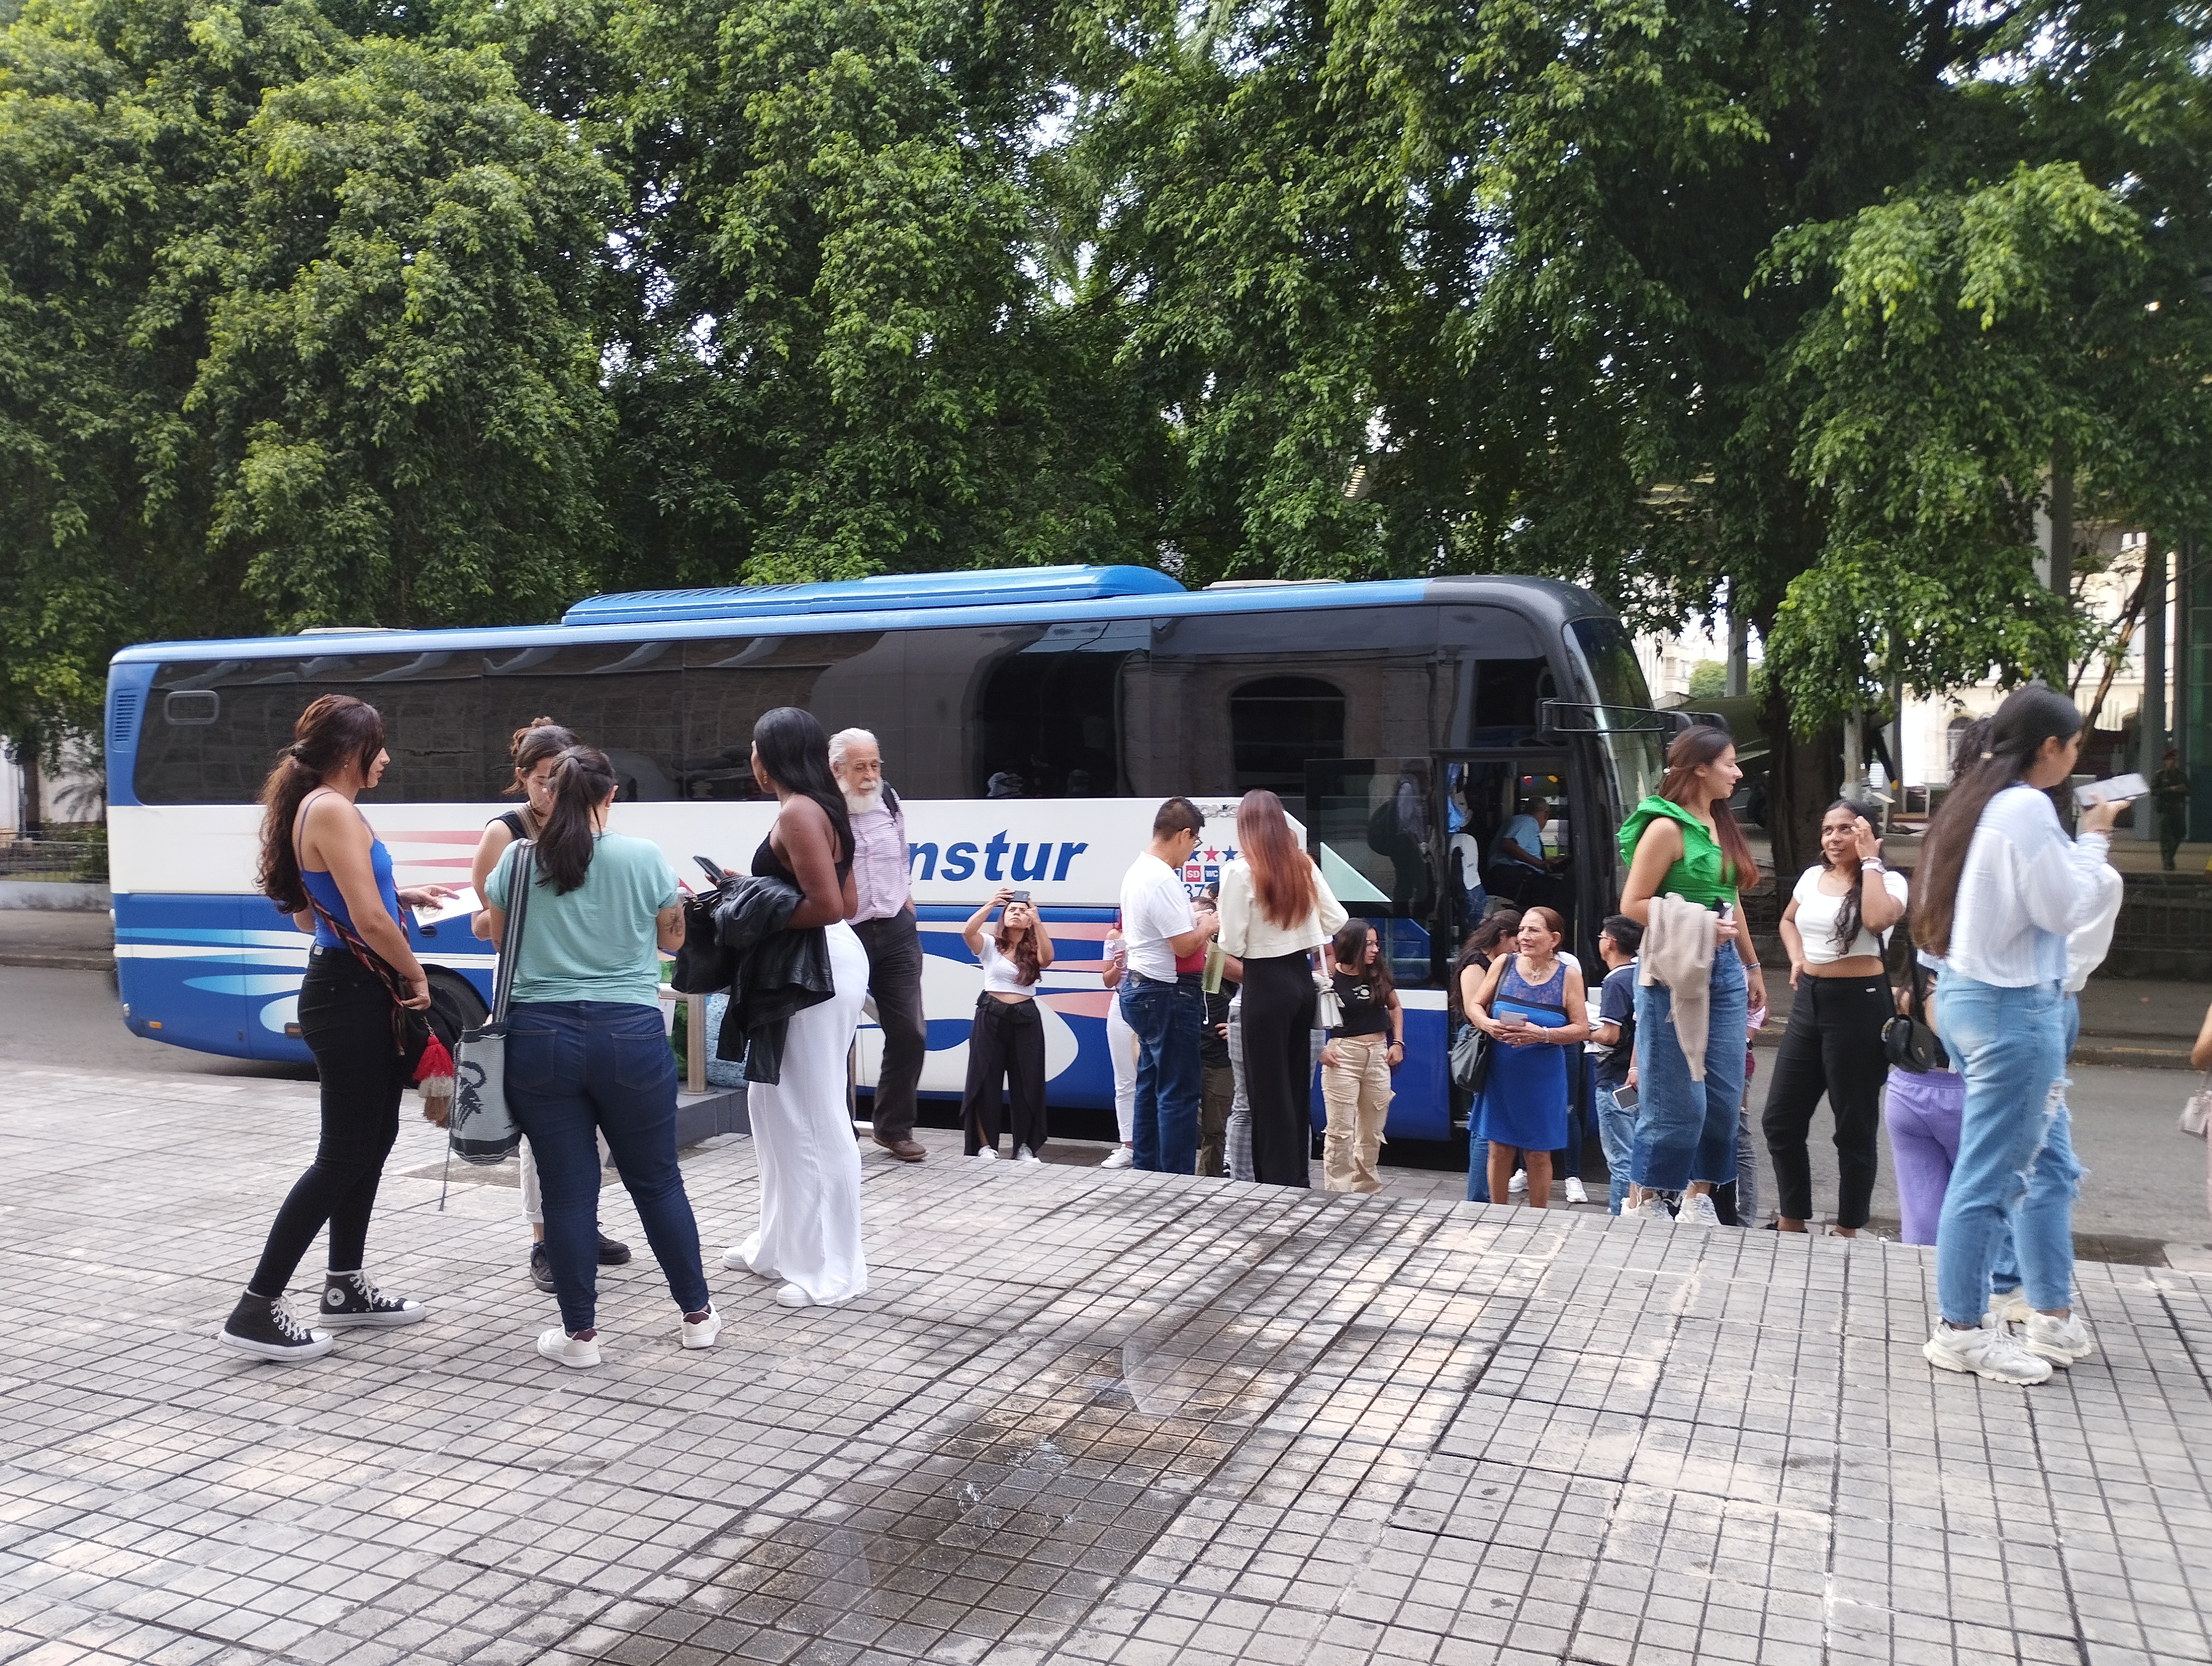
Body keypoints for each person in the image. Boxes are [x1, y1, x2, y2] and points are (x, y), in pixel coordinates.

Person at [220, 696, 451, 1361]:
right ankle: (255, 1309)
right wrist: (416, 977)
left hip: (347, 990)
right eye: (379, 746)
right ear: (351, 753)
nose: (387, 757)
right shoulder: (331, 808)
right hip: (352, 997)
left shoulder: (316, 809)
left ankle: (345, 1286)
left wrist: (395, 896)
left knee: (372, 1141)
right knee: (342, 1155)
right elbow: (371, 926)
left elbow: (313, 915)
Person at [1912, 684, 2125, 1386]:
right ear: (2050, 748)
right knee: (1993, 1176)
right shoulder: (2027, 806)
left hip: (1984, 1001)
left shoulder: (1983, 800)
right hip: (2013, 1010)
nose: (2077, 759)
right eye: (2074, 746)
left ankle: (2048, 1316)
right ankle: (1964, 1329)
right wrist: (2095, 840)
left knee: (2047, 1166)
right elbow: (2063, 907)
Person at [480, 746, 715, 1367]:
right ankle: (697, 1315)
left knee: (567, 1189)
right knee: (657, 1178)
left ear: (550, 794)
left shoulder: (517, 857)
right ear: (610, 796)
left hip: (541, 1037)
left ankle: (579, 1337)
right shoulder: (642, 856)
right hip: (630, 1035)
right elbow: (672, 937)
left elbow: (503, 938)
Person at [470, 719, 632, 1293]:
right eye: (544, 781)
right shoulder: (505, 834)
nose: (554, 792)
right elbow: (486, 925)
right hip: (528, 987)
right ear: (524, 780)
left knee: (593, 1124)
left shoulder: (588, 823)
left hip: (587, 986)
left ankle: (581, 1224)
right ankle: (544, 1240)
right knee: (545, 1130)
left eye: (562, 779)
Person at [723, 708, 870, 1309]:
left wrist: (750, 907)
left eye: (754, 750)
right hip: (816, 961)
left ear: (770, 754)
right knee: (772, 1101)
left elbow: (831, 905)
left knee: (812, 1110)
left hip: (811, 967)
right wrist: (754, 891)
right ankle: (780, 1244)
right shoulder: (820, 806)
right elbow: (848, 898)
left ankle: (832, 1268)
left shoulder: (798, 811)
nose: (750, 762)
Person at [1616, 726, 1767, 1226]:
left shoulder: (1719, 824)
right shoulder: (1666, 828)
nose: (1739, 772)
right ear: (1699, 767)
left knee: (1724, 1100)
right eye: (1730, 763)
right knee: (1677, 1099)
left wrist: (1751, 964)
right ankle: (1649, 1201)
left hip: (1723, 969)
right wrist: (1703, 924)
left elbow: (1733, 901)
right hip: (1674, 968)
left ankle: (1699, 1198)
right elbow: (1632, 904)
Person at [1980, 851, 2122, 1364]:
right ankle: (2037, 1310)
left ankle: (2009, 1289)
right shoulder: (2086, 875)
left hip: (2021, 1004)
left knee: (2020, 1159)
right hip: (2034, 1004)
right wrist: (2097, 840)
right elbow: (2080, 922)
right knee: (2044, 1166)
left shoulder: (1979, 856)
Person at [1761, 800, 1908, 1236]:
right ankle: (1792, 1219)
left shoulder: (1889, 881)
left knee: (1853, 1124)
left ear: (1867, 832)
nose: (1834, 838)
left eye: (1847, 828)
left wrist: (1870, 862)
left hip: (1860, 1005)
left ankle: (1847, 1228)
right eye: (1828, 830)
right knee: (1781, 1118)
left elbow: (1877, 920)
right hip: (1809, 1001)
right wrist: (1797, 958)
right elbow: (1788, 921)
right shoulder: (1811, 877)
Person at [1218, 789, 1348, 1188]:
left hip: (1265, 985)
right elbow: (1337, 918)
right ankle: (1296, 1178)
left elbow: (1232, 944)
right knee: (1294, 1087)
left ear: (1246, 828)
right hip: (1302, 981)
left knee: (1266, 1091)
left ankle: (1274, 1183)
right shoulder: (1302, 865)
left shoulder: (1241, 872)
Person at [829, 728, 928, 1163]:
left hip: (895, 929)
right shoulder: (823, 809)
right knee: (836, 1037)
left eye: (875, 765)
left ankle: (893, 1128)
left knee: (910, 1032)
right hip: (844, 932)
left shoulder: (889, 799)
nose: (870, 775)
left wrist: (906, 899)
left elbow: (902, 852)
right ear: (837, 770)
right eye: (860, 767)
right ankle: (837, 1129)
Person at [1463, 906, 1589, 1206]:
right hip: (1501, 1070)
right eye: (1522, 930)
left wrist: (1542, 1034)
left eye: (1533, 930)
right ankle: (1497, 1214)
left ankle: (1537, 1219)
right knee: (1499, 1147)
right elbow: (1475, 1005)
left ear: (1554, 939)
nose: (1524, 937)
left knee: (1538, 1152)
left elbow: (1581, 1029)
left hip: (1544, 1076)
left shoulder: (1568, 976)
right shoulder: (1504, 964)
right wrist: (1487, 1024)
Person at [1118, 798, 1216, 1174]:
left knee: (1150, 1085)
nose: (1193, 853)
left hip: (1141, 988)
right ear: (1185, 834)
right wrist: (1208, 924)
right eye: (1195, 843)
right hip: (1168, 992)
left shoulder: (1137, 871)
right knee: (1179, 1092)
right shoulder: (1161, 878)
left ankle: (1148, 1170)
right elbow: (1184, 945)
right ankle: (1177, 1181)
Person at [960, 886, 1054, 1162]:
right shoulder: (990, 944)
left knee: (1027, 1081)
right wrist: (991, 904)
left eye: (1023, 911)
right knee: (984, 1079)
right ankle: (985, 1145)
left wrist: (1038, 922)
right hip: (991, 1014)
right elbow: (967, 932)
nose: (1017, 913)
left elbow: (1047, 959)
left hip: (1025, 1016)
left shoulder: (1034, 946)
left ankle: (1024, 1146)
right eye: (1012, 909)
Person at [1319, 920, 1400, 1193]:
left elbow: (1395, 1007)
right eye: (1369, 944)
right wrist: (1319, 1050)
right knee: (1340, 1131)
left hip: (1378, 1055)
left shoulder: (1377, 974)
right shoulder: (1329, 978)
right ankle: (1338, 1191)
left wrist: (1397, 1042)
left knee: (1372, 1131)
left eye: (1377, 944)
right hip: (1343, 1055)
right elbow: (1304, 1017)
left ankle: (1367, 1190)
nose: (1375, 950)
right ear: (1352, 944)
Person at [1453, 910, 1522, 1201]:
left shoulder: (1501, 963)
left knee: (1491, 1123)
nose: (1519, 949)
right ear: (1502, 936)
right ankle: (1479, 1197)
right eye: (1516, 942)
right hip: (1486, 1044)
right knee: (1486, 1124)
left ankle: (1485, 1195)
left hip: (1501, 1042)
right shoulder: (1475, 964)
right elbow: (1474, 1010)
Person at [1589, 915, 1642, 1214]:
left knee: (1621, 1157)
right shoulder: (1642, 973)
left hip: (1614, 1080)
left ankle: (1619, 1217)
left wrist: (1584, 1029)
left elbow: (1610, 1035)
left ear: (1610, 942)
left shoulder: (1615, 980)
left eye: (1601, 937)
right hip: (1638, 1077)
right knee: (1640, 1151)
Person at [1194, 890, 1241, 1178]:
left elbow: (1238, 983)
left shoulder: (1218, 954)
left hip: (1217, 1056)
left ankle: (1207, 1179)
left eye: (1200, 918)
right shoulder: (1173, 951)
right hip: (1186, 1050)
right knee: (1182, 1121)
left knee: (1215, 1126)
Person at [1098, 920, 1137, 1168]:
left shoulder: (1159, 929)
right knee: (1125, 1079)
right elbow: (1108, 980)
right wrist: (1119, 964)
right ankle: (1128, 1146)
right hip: (1122, 1003)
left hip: (1153, 1003)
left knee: (1156, 1079)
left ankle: (1151, 1143)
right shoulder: (1115, 935)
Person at [1489, 797, 1568, 909]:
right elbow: (1507, 844)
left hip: (1514, 874)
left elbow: (1524, 849)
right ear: (1546, 814)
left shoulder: (1523, 822)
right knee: (1563, 891)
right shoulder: (1528, 821)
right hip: (1514, 875)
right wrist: (1540, 864)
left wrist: (1548, 861)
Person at [2153, 747, 2189, 872]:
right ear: (2165, 761)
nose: (2172, 762)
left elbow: (2189, 791)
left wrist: (2183, 790)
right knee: (2166, 838)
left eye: (2174, 760)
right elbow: (2153, 791)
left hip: (2178, 810)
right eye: (2170, 760)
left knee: (2179, 835)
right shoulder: (2160, 775)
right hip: (2165, 810)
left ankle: (2169, 858)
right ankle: (2167, 862)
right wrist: (2170, 789)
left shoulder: (2181, 776)